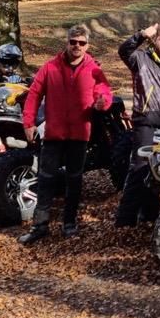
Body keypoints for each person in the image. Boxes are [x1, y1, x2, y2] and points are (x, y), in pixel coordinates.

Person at [18, 25, 113, 244]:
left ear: (87, 45)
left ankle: (69, 224)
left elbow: (104, 91)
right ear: (67, 42)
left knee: (74, 179)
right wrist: (28, 123)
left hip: (79, 135)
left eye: (81, 43)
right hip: (54, 134)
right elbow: (34, 94)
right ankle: (39, 226)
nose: (77, 46)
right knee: (46, 179)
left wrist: (102, 103)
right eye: (73, 42)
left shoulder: (93, 68)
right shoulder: (50, 66)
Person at [116, 23, 160, 226]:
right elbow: (123, 50)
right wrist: (141, 34)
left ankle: (149, 214)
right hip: (146, 122)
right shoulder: (141, 59)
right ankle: (125, 219)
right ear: (155, 40)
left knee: (159, 170)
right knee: (139, 168)